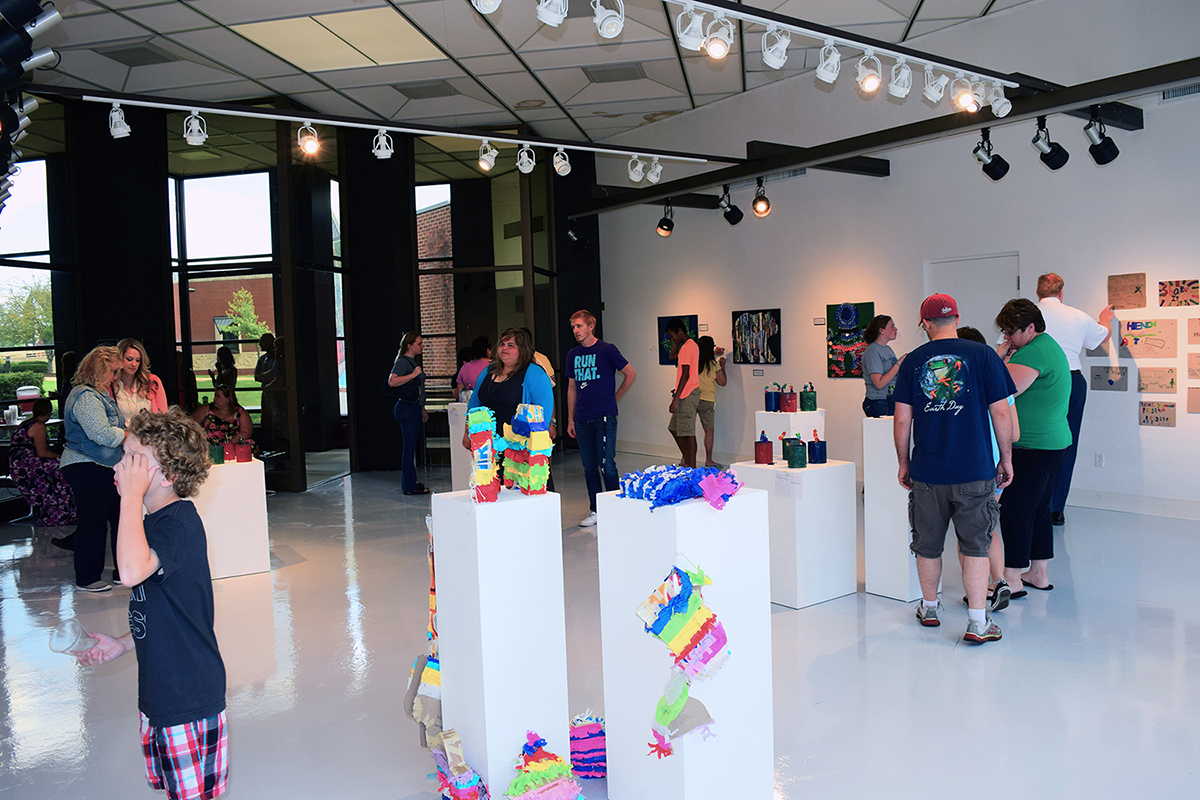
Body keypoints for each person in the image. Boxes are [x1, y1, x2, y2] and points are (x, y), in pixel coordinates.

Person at [77, 408, 228, 800]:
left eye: (132, 460)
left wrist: (129, 497)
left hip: (189, 695)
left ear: (166, 476)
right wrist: (124, 643)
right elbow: (162, 606)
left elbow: (129, 572)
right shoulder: (152, 524)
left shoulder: (179, 524)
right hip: (160, 691)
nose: (121, 466)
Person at [892, 294, 1015, 644]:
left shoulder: (914, 361)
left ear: (925, 324)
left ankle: (929, 608)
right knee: (976, 544)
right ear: (956, 318)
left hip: (928, 471)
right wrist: (1005, 459)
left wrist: (904, 462)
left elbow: (902, 419)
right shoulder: (984, 355)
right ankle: (978, 621)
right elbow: (1001, 413)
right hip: (975, 469)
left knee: (927, 542)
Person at [995, 298, 1072, 596]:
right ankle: (1038, 573)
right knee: (1039, 508)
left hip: (1033, 446)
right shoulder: (1046, 346)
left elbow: (1001, 388)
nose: (1006, 338)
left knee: (1015, 510)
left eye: (1010, 332)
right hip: (1053, 443)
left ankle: (1012, 578)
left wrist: (999, 357)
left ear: (1029, 327)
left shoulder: (1034, 353)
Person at [1036, 273, 1115, 525]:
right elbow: (1102, 337)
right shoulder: (1078, 315)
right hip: (1070, 381)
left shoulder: (1028, 316)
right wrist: (1105, 319)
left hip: (1034, 379)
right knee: (1066, 443)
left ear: (1038, 292)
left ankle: (1031, 502)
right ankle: (1055, 508)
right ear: (1061, 292)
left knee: (1030, 441)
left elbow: (1006, 347)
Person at [956, 326, 1020, 610]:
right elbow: (1015, 434)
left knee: (966, 535)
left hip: (968, 468)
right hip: (996, 468)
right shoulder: (997, 381)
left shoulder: (955, 387)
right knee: (986, 527)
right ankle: (1000, 580)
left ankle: (977, 591)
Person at [60, 346, 126, 592]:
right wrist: (131, 435)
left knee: (120, 518)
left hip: (103, 466)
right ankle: (87, 578)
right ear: (99, 369)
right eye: (113, 371)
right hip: (86, 464)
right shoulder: (85, 396)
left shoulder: (98, 394)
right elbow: (101, 434)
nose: (116, 377)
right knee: (93, 522)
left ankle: (124, 571)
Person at [565, 310, 636, 527]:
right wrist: (571, 418)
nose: (576, 331)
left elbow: (630, 373)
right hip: (583, 418)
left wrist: (614, 398)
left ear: (590, 326)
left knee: (607, 465)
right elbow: (571, 388)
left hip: (604, 416)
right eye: (573, 327)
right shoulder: (573, 354)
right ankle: (596, 509)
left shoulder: (607, 350)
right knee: (589, 467)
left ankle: (616, 506)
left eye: (579, 326)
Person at [462, 328, 555, 478]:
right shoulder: (488, 371)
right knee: (491, 490)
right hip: (489, 446)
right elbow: (473, 405)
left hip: (520, 448)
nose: (504, 348)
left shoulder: (535, 373)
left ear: (522, 349)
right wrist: (467, 431)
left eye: (511, 345)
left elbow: (543, 415)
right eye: (502, 344)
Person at [8, 397, 76, 526]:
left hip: (18, 465)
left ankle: (56, 513)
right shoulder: (39, 426)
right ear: (49, 413)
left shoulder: (26, 424)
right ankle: (64, 513)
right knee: (65, 471)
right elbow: (42, 452)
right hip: (28, 466)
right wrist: (61, 457)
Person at [389, 332, 429, 496]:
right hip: (407, 408)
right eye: (419, 344)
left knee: (410, 447)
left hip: (413, 407)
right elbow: (392, 381)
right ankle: (409, 485)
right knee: (409, 448)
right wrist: (413, 375)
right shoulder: (404, 363)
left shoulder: (409, 362)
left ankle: (410, 483)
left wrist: (422, 408)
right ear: (409, 346)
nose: (422, 346)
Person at [665, 318, 700, 468]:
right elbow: (672, 356)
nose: (672, 339)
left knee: (687, 432)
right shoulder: (687, 345)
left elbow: (685, 374)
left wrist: (675, 399)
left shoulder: (688, 347)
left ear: (680, 331)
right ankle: (688, 460)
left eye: (673, 336)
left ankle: (691, 467)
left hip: (687, 393)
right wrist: (676, 342)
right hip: (685, 393)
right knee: (674, 428)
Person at [113, 338, 169, 424]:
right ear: (120, 359)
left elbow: (163, 415)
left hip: (149, 435)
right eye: (129, 359)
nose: (134, 364)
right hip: (122, 435)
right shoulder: (111, 383)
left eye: (137, 360)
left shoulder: (152, 382)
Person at [191, 385, 257, 454]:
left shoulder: (240, 413)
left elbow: (246, 432)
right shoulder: (207, 409)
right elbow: (191, 424)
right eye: (215, 396)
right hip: (210, 444)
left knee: (250, 445)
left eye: (218, 396)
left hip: (232, 443)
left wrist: (232, 442)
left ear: (228, 399)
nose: (214, 399)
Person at [861, 315, 904, 417]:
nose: (896, 329)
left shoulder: (887, 349)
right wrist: (898, 364)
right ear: (882, 330)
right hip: (878, 402)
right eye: (892, 326)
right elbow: (879, 383)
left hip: (889, 399)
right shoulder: (873, 351)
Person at [695, 335, 726, 467]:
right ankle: (708, 459)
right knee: (709, 430)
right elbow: (722, 382)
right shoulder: (713, 365)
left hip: (692, 397)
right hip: (707, 400)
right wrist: (722, 366)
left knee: (687, 432)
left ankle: (685, 458)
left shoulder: (694, 362)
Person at [455, 336, 491, 400]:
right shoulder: (494, 366)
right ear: (488, 350)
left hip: (470, 405)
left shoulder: (465, 367)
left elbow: (459, 394)